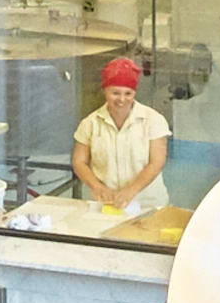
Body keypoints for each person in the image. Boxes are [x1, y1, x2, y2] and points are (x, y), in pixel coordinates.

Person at [70, 55, 169, 217]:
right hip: (104, 204)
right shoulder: (90, 123)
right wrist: (98, 187)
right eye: (115, 93)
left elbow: (157, 162)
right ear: (105, 90)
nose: (122, 100)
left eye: (128, 93)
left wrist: (131, 191)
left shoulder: (153, 120)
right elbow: (79, 162)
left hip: (147, 203)